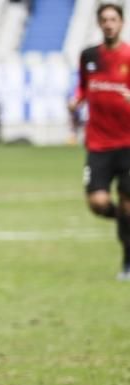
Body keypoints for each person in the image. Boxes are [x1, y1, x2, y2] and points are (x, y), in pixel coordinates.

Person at [69, 2, 130, 280]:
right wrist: (77, 100)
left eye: (113, 19)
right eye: (104, 19)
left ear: (121, 23)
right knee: (98, 202)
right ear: (98, 23)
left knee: (128, 203)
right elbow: (84, 84)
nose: (109, 24)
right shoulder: (89, 56)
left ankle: (128, 263)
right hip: (98, 144)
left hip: (128, 143)